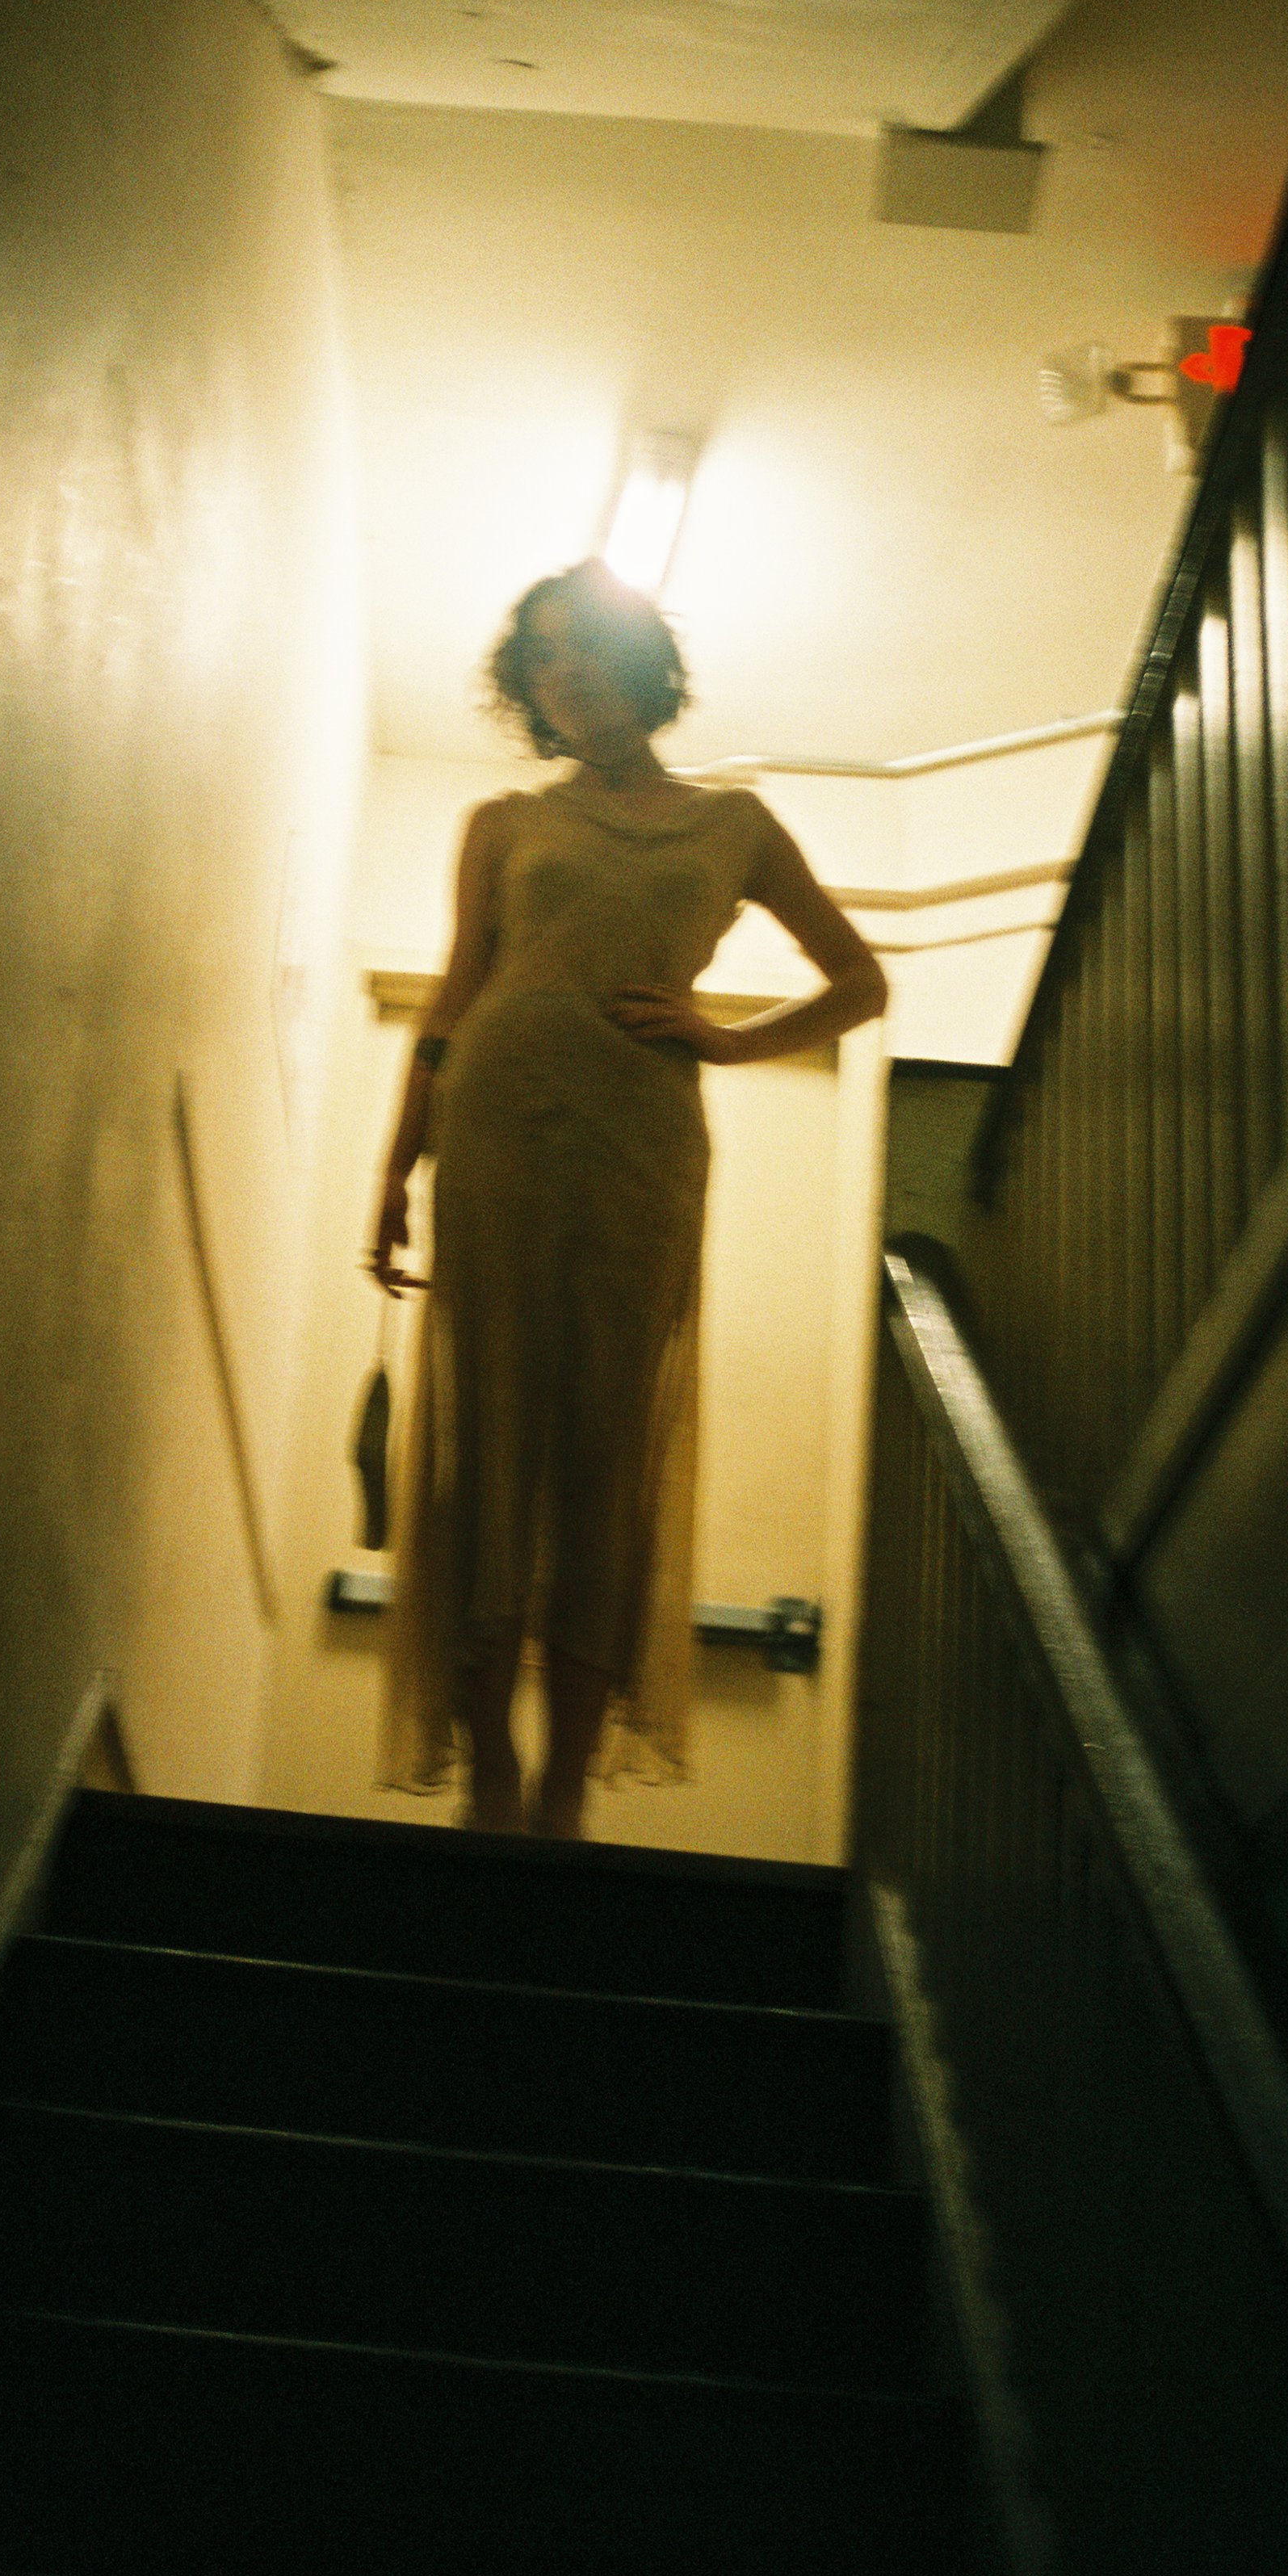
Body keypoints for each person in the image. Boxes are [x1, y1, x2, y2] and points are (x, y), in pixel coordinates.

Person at [368, 558, 887, 1838]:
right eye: (541, 657)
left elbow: (857, 982)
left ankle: (562, 1787)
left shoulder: (738, 827)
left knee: (607, 1441)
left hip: (641, 1140)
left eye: (583, 646)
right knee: (488, 1419)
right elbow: (451, 997)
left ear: (643, 662)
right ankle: (489, 1762)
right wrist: (395, 1164)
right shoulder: (500, 822)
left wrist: (728, 1040)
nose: (563, 672)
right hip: (495, 1122)